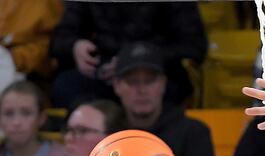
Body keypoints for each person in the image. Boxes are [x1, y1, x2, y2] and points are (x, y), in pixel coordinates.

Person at [49, 1, 207, 108]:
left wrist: (136, 60)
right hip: (104, 71)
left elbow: (195, 46)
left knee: (168, 89)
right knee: (65, 86)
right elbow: (59, 40)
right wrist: (75, 46)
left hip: (156, 69)